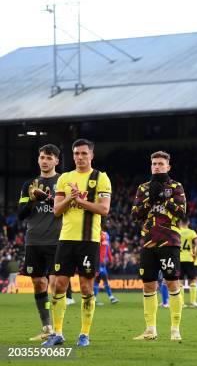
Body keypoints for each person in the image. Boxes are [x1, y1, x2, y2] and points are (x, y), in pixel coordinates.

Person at [43, 139, 112, 348]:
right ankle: (57, 333)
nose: (79, 157)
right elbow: (56, 210)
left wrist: (79, 201)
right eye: (76, 153)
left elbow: (104, 209)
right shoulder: (65, 178)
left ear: (91, 155)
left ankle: (84, 334)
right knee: (58, 286)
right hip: (66, 239)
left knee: (85, 287)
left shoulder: (101, 178)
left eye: (83, 153)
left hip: (89, 241)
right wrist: (69, 198)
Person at [131, 151, 186, 341]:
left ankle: (175, 329)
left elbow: (182, 212)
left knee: (171, 282)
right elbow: (135, 214)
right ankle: (150, 329)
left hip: (169, 241)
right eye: (154, 163)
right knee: (148, 285)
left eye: (161, 164)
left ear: (168, 167)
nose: (157, 166)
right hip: (148, 241)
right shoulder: (143, 188)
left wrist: (164, 198)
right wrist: (149, 202)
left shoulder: (176, 186)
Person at [17, 144, 62, 341]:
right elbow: (21, 215)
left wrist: (49, 199)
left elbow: (67, 208)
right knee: (38, 282)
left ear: (56, 161)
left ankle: (58, 331)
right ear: (38, 159)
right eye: (42, 157)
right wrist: (33, 201)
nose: (45, 161)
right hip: (34, 241)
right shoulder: (29, 184)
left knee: (55, 283)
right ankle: (47, 327)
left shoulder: (64, 181)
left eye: (49, 158)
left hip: (57, 240)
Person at [178, 218, 197, 308]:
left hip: (179, 259)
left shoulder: (177, 231)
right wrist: (195, 254)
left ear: (180, 222)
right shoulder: (191, 232)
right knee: (193, 280)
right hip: (189, 258)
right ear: (188, 222)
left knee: (180, 281)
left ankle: (181, 303)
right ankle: (193, 302)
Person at [94, 228, 119, 305]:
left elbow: (107, 248)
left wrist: (110, 259)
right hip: (97, 261)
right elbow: (95, 249)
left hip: (102, 263)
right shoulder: (96, 235)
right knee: (98, 279)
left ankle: (110, 297)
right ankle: (110, 297)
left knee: (102, 279)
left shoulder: (106, 235)